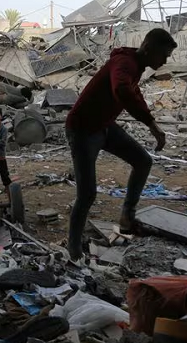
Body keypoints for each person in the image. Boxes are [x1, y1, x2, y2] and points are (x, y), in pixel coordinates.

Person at [65, 28, 176, 261]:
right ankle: (73, 251)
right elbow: (122, 89)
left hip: (105, 125)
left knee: (143, 161)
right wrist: (151, 123)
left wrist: (151, 122)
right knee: (86, 195)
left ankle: (127, 217)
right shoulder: (124, 63)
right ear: (148, 49)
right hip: (84, 129)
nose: (165, 61)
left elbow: (133, 92)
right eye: (163, 55)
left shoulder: (136, 66)